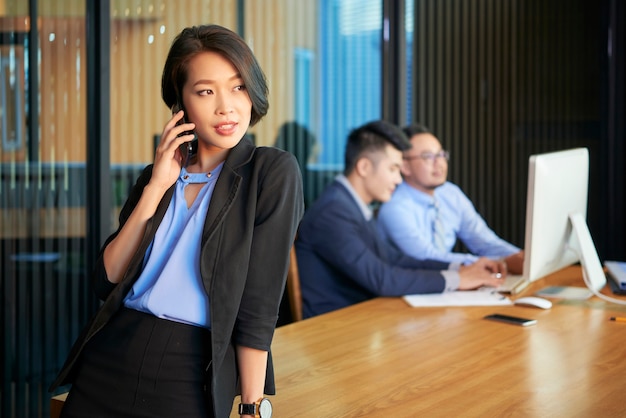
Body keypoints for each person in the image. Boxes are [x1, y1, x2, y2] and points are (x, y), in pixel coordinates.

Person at [49, 24, 304, 418]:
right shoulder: (158, 176)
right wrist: (156, 187)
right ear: (180, 105)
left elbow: (259, 305)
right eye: (206, 91)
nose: (227, 106)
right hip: (111, 354)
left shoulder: (270, 173)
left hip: (190, 367)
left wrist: (252, 407)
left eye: (238, 87)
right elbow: (107, 278)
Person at [295, 120, 505, 319]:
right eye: (393, 169)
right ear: (364, 167)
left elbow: (394, 259)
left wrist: (457, 270)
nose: (398, 178)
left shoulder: (350, 205)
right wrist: (459, 280)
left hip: (364, 318)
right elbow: (382, 279)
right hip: (332, 330)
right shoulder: (333, 212)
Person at [377, 123, 524, 274]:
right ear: (405, 166)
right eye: (428, 157)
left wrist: (518, 256)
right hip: (408, 288)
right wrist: (496, 263)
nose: (439, 163)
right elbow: (427, 257)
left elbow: (482, 240)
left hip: (448, 284)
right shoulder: (394, 207)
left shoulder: (450, 193)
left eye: (441, 155)